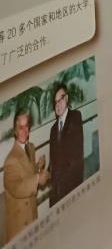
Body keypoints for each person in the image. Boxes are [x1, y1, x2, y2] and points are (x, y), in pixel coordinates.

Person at [4, 110, 49, 242]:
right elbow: (17, 188)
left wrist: (38, 166)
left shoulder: (30, 147)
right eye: (20, 127)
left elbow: (27, 173)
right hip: (20, 223)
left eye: (26, 126)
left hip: (32, 214)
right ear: (15, 130)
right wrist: (38, 179)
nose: (24, 131)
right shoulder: (10, 160)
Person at [47, 82, 84, 206]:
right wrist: (44, 173)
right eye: (55, 102)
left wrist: (62, 187)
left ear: (66, 98)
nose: (58, 104)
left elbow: (76, 158)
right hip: (56, 190)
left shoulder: (75, 117)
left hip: (71, 186)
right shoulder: (53, 130)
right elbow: (53, 160)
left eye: (60, 99)